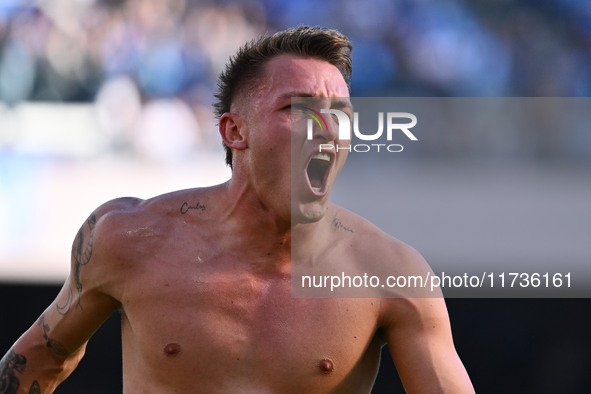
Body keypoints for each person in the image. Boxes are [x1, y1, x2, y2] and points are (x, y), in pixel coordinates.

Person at [0, 26, 474, 393]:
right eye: (298, 108)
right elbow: (38, 361)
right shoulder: (128, 237)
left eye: (341, 113)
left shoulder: (390, 273)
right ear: (235, 132)